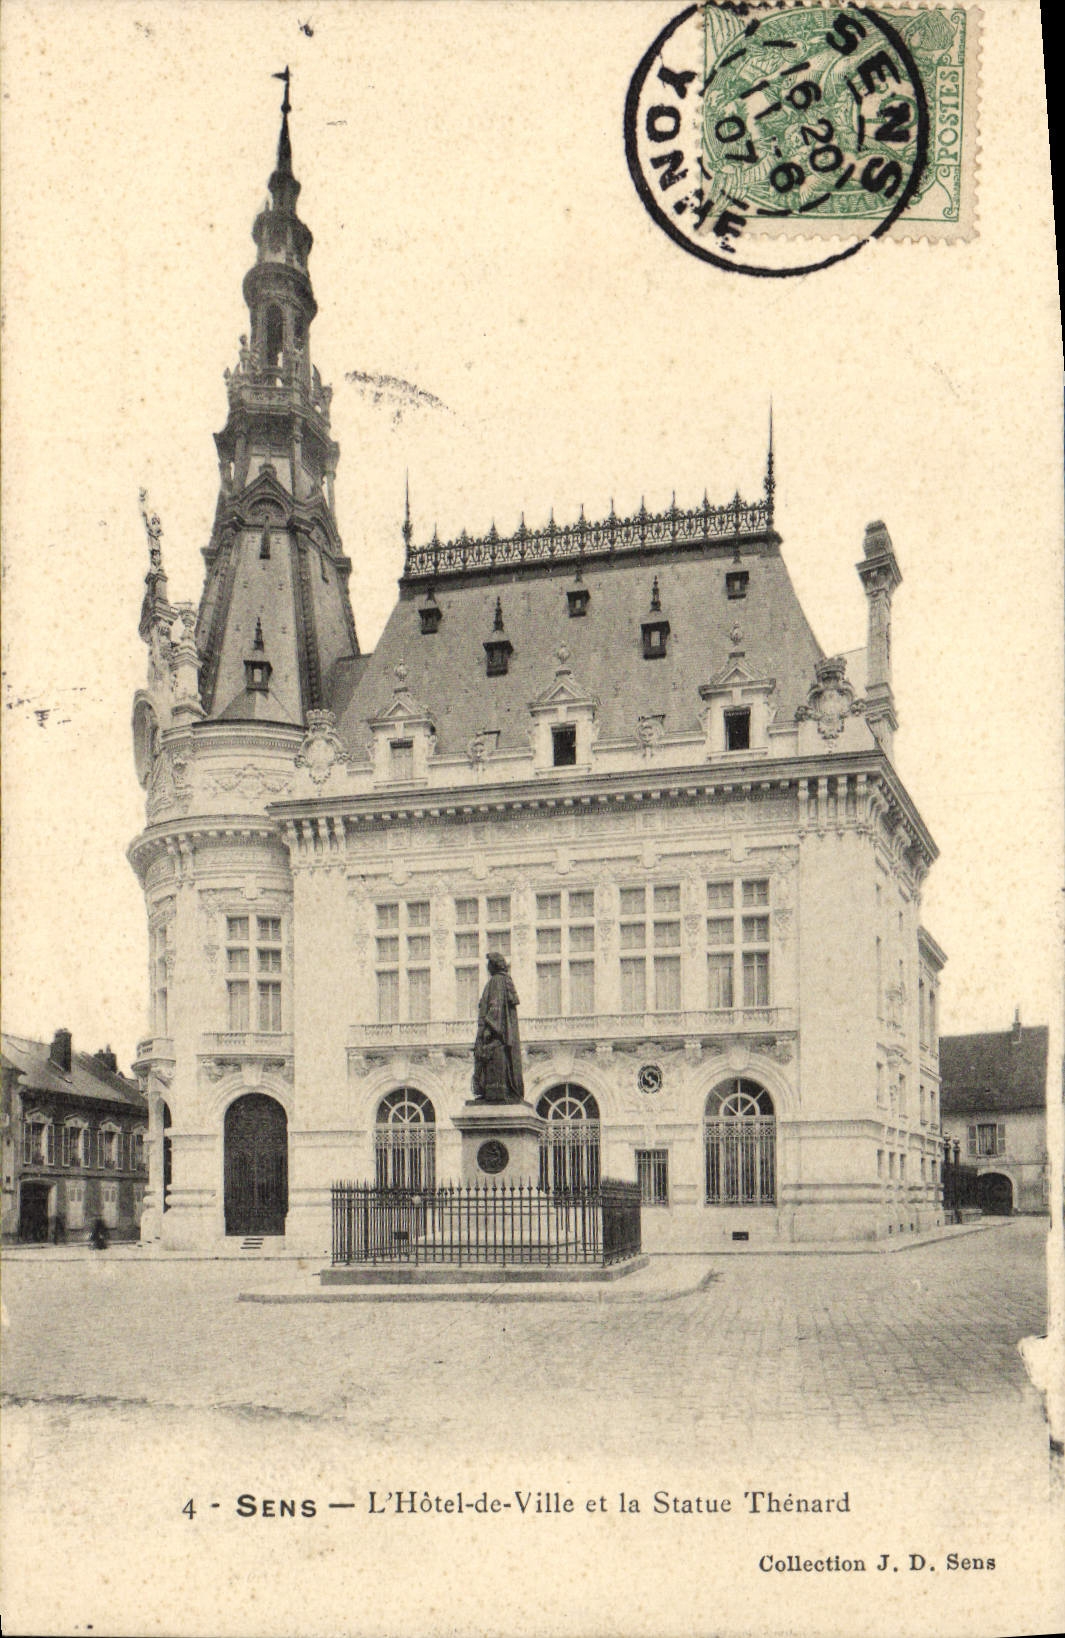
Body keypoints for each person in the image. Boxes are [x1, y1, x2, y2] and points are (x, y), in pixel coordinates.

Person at [472, 952, 525, 1104]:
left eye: (489, 963)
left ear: (493, 965)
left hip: (494, 1036)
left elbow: (494, 1007)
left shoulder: (496, 981)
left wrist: (488, 1031)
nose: (487, 967)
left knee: (490, 1063)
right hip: (502, 1036)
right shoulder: (505, 980)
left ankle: (494, 1093)